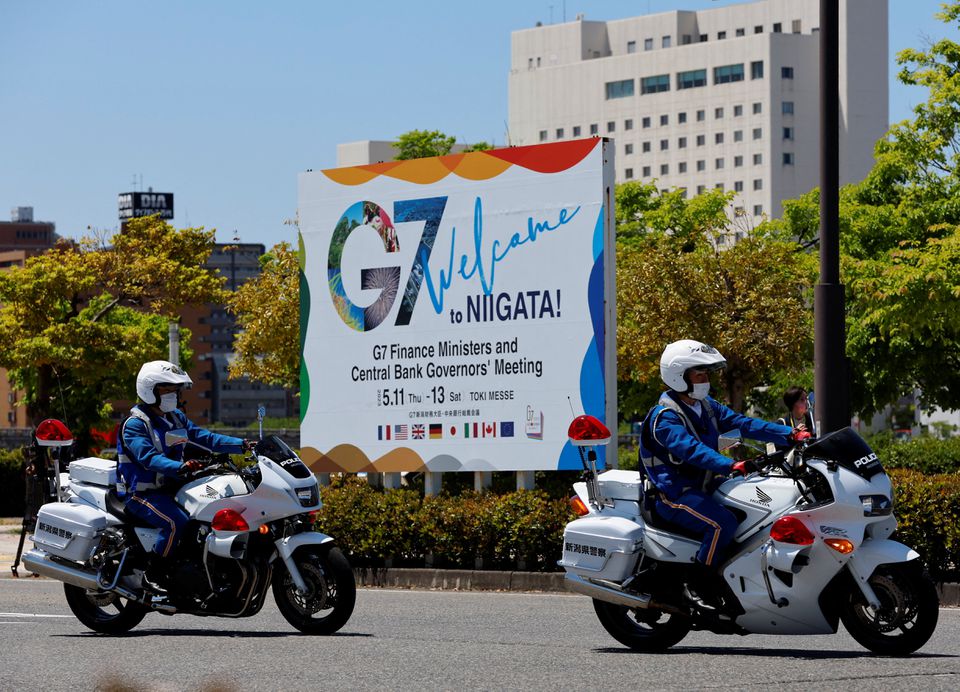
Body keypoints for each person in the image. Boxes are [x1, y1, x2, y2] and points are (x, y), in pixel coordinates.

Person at [639, 340, 810, 611]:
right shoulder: (665, 418)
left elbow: (743, 423)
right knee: (722, 524)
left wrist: (789, 434)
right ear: (679, 376)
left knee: (758, 503)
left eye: (707, 374)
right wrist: (728, 465)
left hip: (706, 486)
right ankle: (698, 584)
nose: (706, 380)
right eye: (699, 374)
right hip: (673, 494)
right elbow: (691, 450)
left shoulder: (705, 406)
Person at [116, 360, 251, 597]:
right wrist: (181, 467)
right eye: (167, 389)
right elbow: (148, 458)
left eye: (175, 390)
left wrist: (243, 445)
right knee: (174, 522)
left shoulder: (175, 418)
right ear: (151, 390)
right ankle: (153, 573)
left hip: (172, 489)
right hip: (141, 494)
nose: (174, 395)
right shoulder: (135, 425)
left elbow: (205, 438)